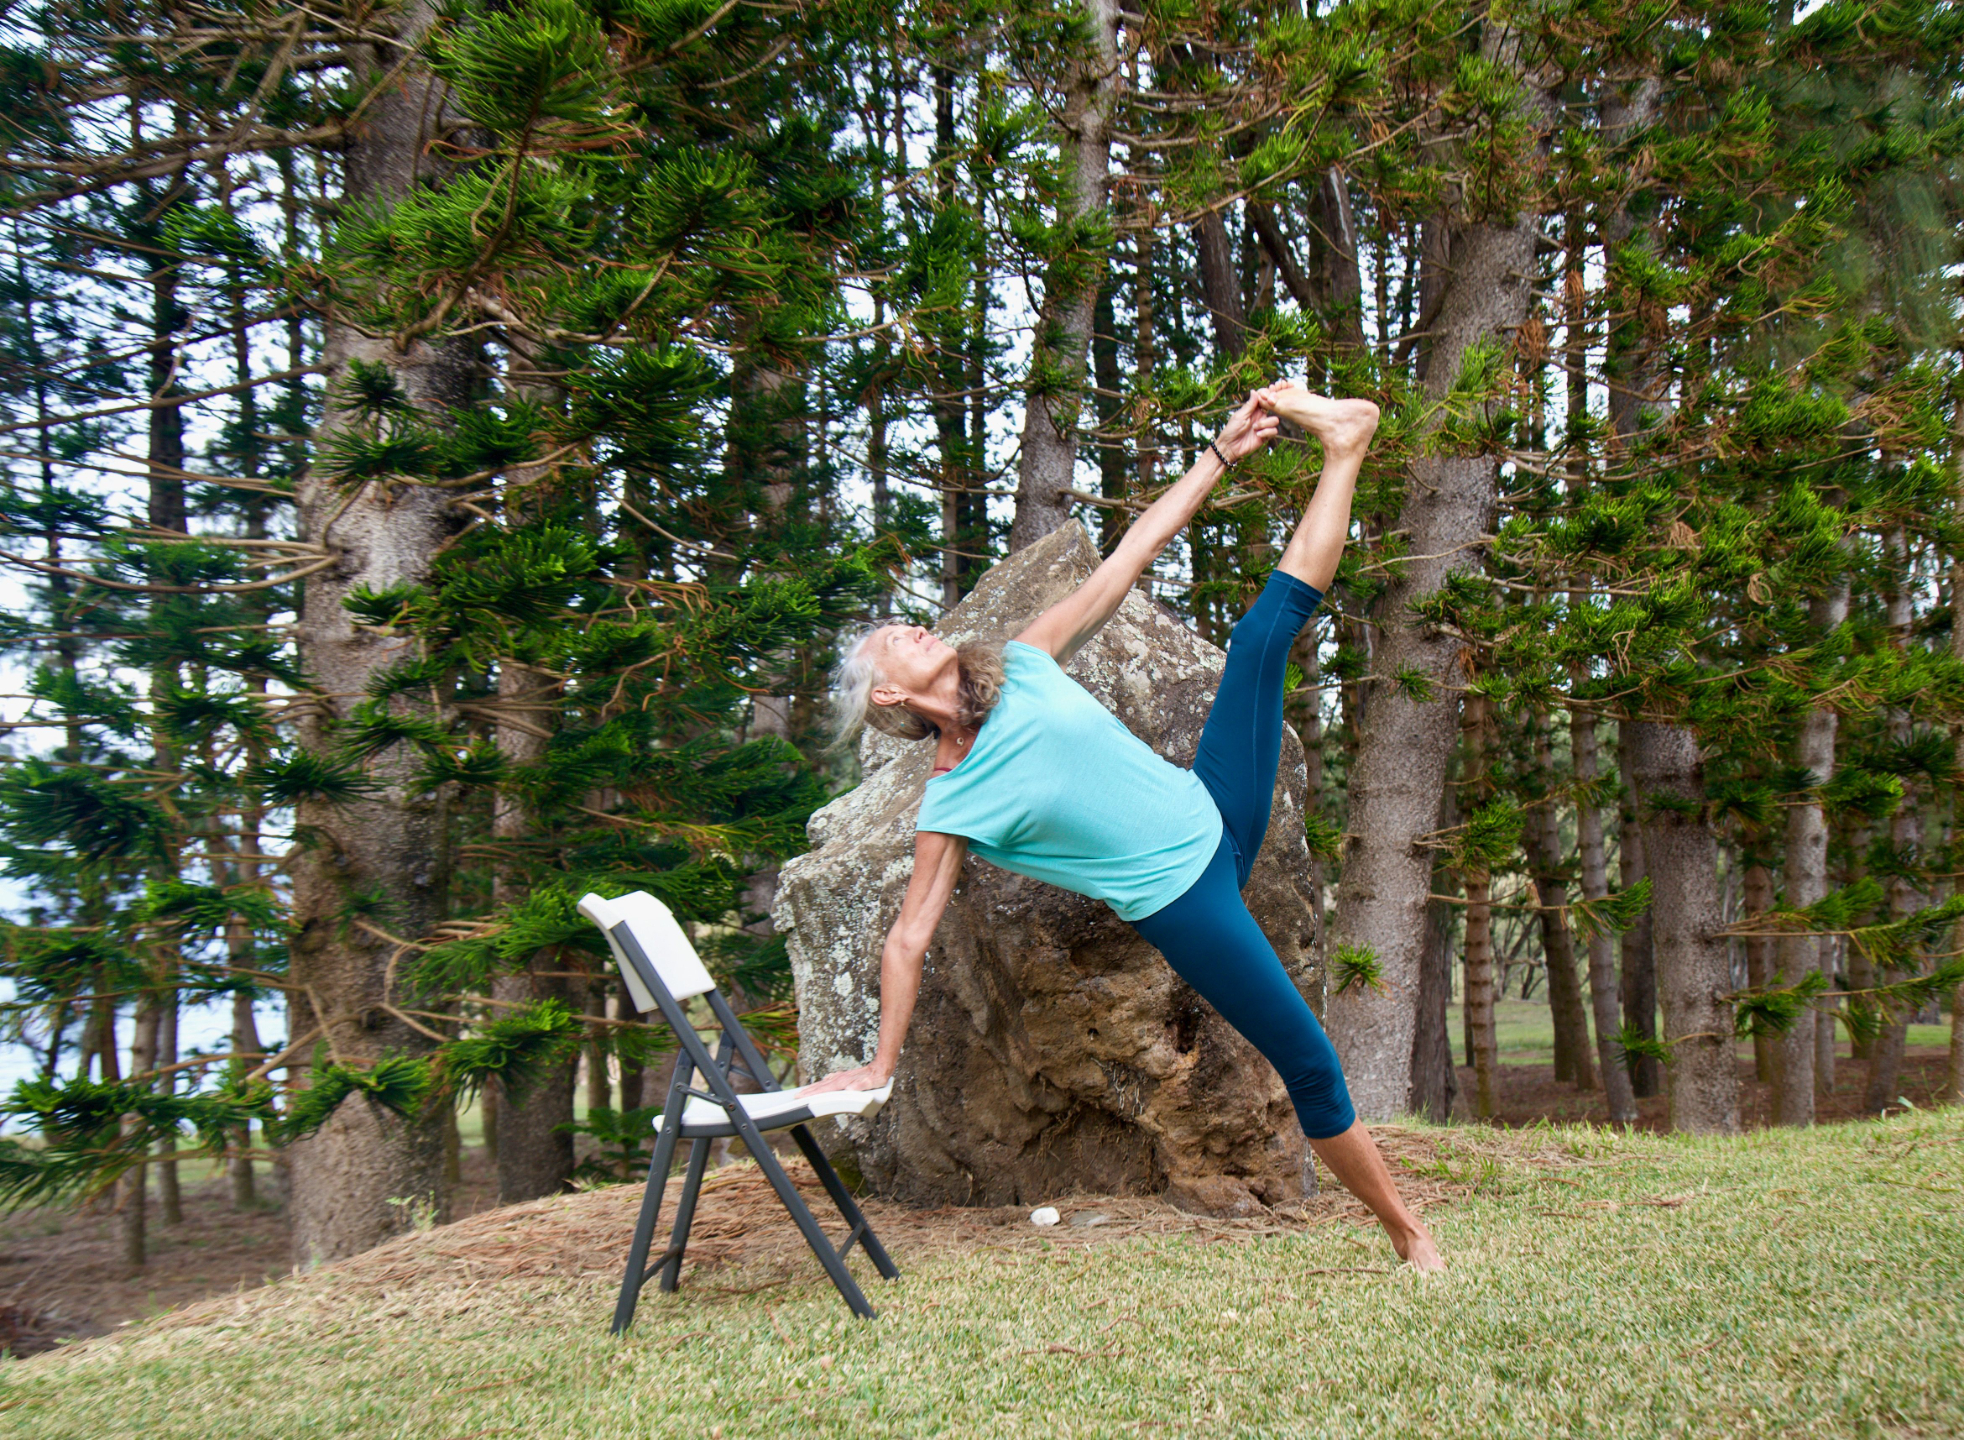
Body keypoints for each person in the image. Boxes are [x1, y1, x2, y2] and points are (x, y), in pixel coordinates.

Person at [808, 380, 1443, 1272]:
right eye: (898, 640)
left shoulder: (1022, 663)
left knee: (1263, 632)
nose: (916, 627)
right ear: (888, 697)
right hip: (1185, 902)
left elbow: (1128, 558)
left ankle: (1346, 441)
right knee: (1309, 1065)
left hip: (1213, 805)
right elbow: (908, 938)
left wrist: (1220, 455)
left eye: (911, 622)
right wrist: (876, 1067)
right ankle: (1409, 1233)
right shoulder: (951, 799)